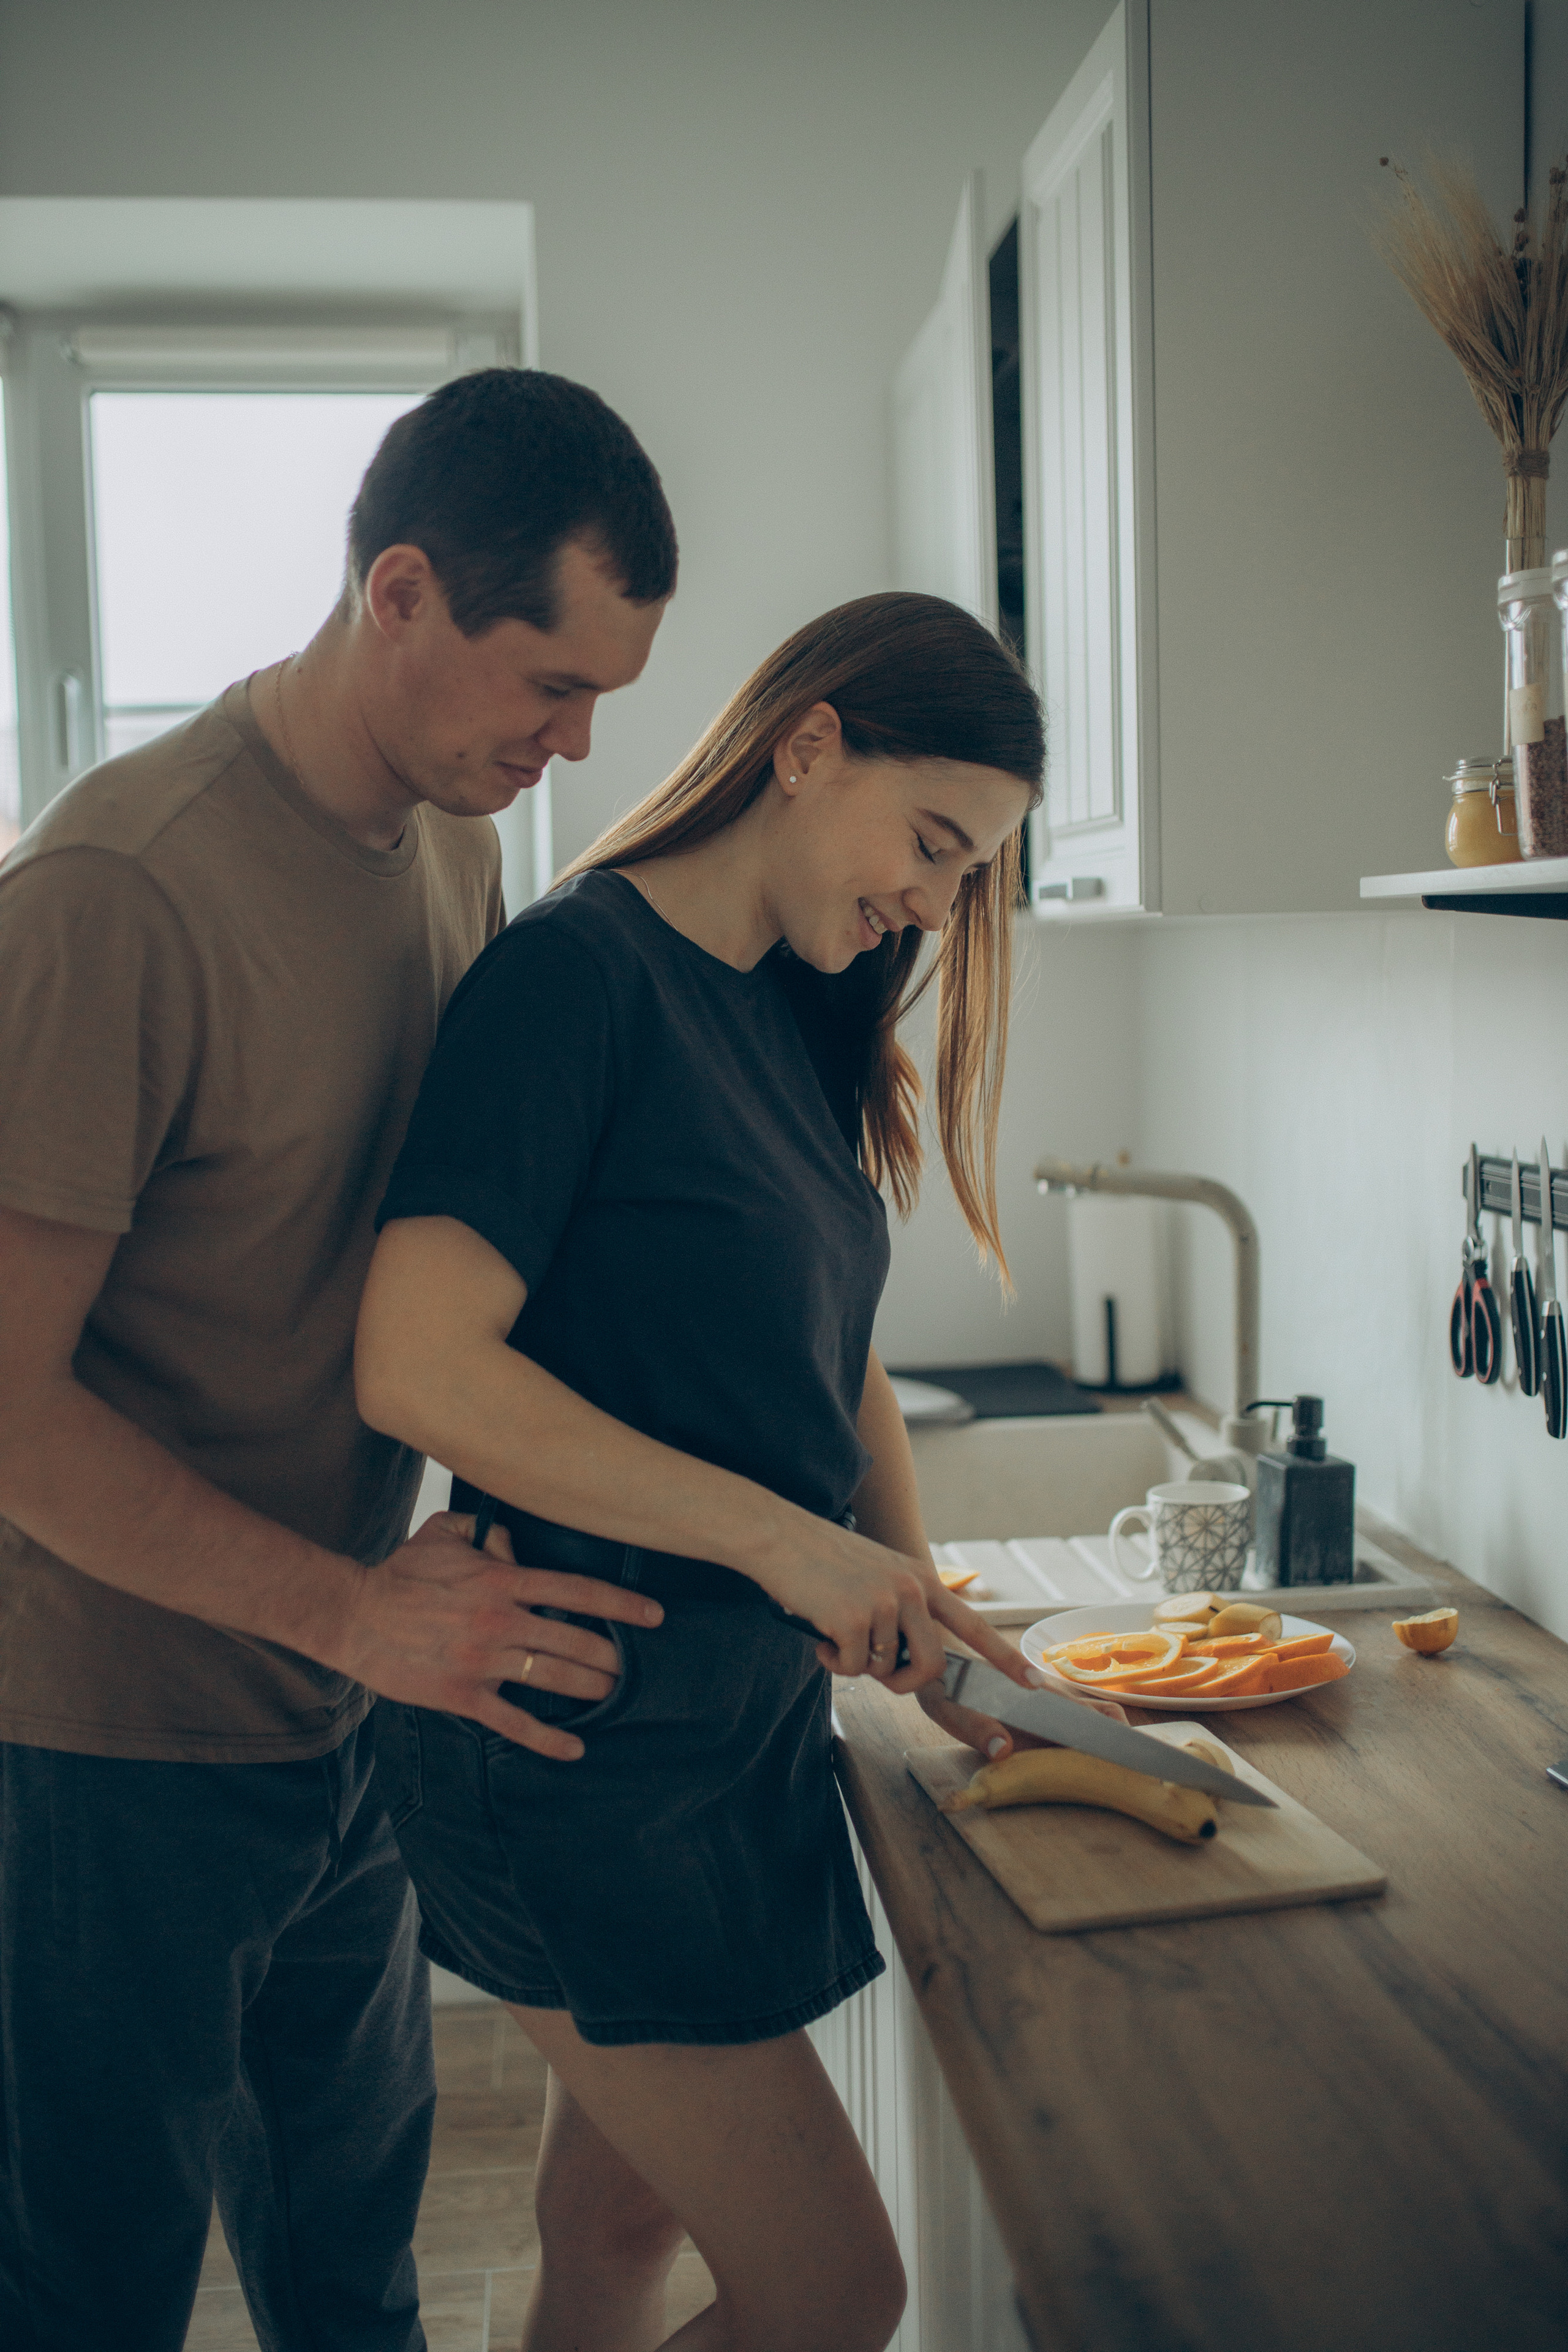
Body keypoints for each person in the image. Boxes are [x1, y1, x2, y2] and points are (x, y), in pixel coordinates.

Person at [0, 368, 679, 2352]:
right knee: (91, 2295)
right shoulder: (116, 895)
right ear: (398, 595)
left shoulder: (448, 844)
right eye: (547, 689)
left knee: (351, 2277)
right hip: (99, 1752)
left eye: (603, 705)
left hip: (341, 1722)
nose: (566, 752)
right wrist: (354, 1619)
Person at [354, 590, 1061, 2352]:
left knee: (614, 2229)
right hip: (576, 1746)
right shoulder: (576, 979)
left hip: (716, 1736)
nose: (936, 902)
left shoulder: (789, 1007)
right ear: (806, 745)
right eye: (933, 842)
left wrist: (932, 1605)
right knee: (835, 2294)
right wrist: (794, 1550)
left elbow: (841, 1349)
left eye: (970, 874)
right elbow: (418, 1363)